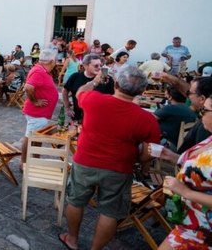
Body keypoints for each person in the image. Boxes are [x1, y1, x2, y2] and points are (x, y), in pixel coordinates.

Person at [60, 66, 161, 250]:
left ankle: (72, 239)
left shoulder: (94, 100)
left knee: (75, 201)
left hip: (85, 161)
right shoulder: (147, 119)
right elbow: (149, 152)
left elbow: (81, 91)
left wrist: (96, 81)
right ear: (142, 91)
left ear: (115, 84)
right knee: (110, 212)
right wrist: (138, 160)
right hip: (119, 168)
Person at [155, 93, 212, 248]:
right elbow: (197, 165)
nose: (201, 115)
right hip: (189, 220)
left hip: (203, 231)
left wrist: (185, 192)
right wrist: (170, 155)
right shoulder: (209, 138)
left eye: (204, 111)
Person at [21, 50, 59, 166]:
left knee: (37, 136)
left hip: (41, 113)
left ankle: (35, 159)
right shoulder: (39, 71)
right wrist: (35, 101)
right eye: (55, 60)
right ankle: (24, 162)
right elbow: (28, 87)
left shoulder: (42, 70)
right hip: (37, 112)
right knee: (30, 136)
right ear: (52, 61)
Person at [62, 54, 115, 123]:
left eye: (100, 65)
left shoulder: (107, 79)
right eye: (96, 65)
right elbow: (65, 90)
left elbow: (113, 97)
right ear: (85, 66)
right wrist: (67, 107)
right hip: (78, 118)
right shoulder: (75, 76)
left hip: (98, 119)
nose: (99, 68)